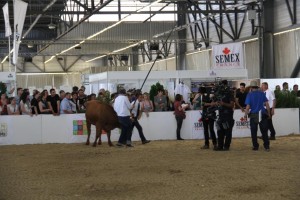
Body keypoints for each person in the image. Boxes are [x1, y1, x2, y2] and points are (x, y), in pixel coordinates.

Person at [244, 80, 271, 151]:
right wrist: (269, 113)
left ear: (251, 87)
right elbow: (267, 104)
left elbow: (248, 107)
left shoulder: (249, 94)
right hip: (262, 114)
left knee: (253, 132)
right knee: (264, 131)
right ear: (257, 86)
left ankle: (255, 146)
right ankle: (266, 146)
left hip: (253, 115)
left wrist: (245, 115)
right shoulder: (262, 93)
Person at [213, 80, 235, 151]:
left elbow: (232, 105)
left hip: (228, 115)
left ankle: (226, 146)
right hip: (221, 115)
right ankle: (220, 146)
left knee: (228, 132)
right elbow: (215, 102)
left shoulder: (229, 93)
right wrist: (216, 103)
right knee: (220, 131)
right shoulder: (219, 94)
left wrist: (223, 103)